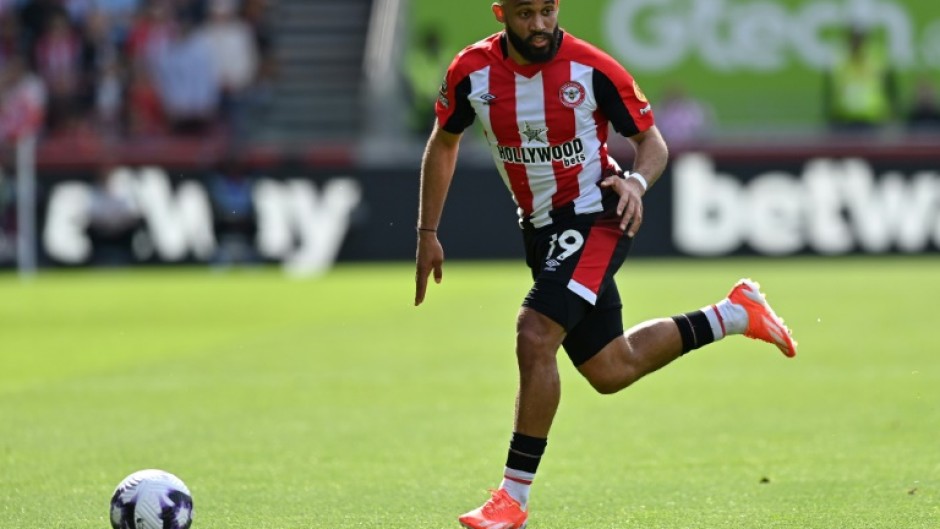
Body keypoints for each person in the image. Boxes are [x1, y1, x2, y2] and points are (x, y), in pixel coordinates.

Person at [412, 2, 798, 529]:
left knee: (534, 333)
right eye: (525, 14)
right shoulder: (470, 71)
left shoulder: (591, 68)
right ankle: (734, 313)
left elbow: (651, 142)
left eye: (547, 10)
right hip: (541, 230)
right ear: (501, 13)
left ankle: (512, 498)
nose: (539, 24)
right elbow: (444, 141)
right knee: (612, 368)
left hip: (597, 213)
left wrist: (636, 183)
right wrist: (427, 233)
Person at [823, 25, 898, 133]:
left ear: (865, 39)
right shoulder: (839, 60)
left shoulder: (877, 58)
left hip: (873, 117)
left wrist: (892, 114)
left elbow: (890, 87)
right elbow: (830, 90)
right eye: (853, 38)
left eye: (859, 38)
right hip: (844, 118)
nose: (856, 42)